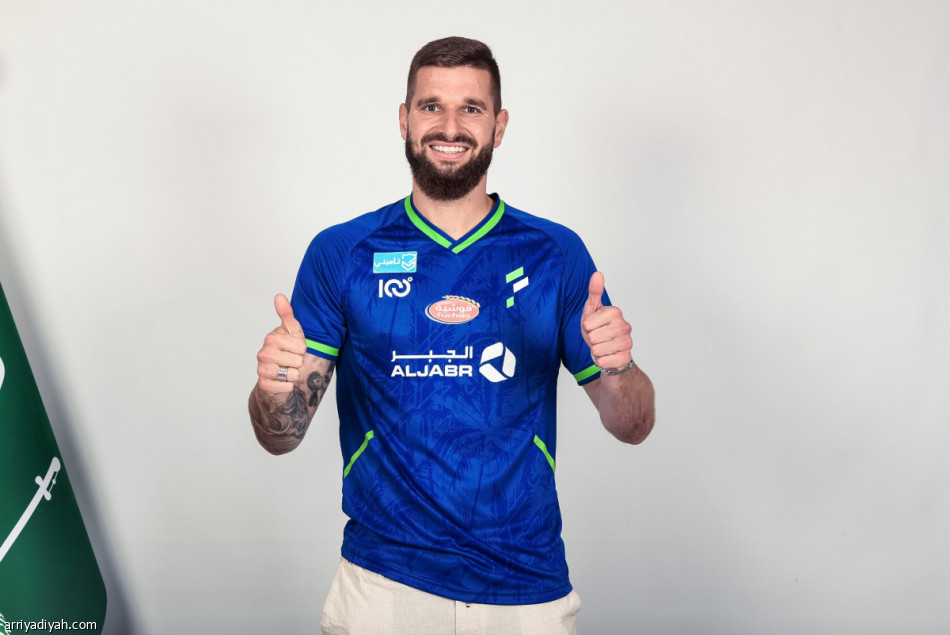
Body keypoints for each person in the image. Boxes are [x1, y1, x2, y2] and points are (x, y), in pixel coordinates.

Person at [249, 36, 655, 635]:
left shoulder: (555, 254)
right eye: (431, 106)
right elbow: (279, 436)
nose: (449, 126)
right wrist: (273, 390)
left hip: (526, 589)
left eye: (471, 108)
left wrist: (619, 369)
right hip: (383, 587)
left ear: (499, 125)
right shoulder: (344, 252)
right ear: (404, 119)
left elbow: (632, 426)